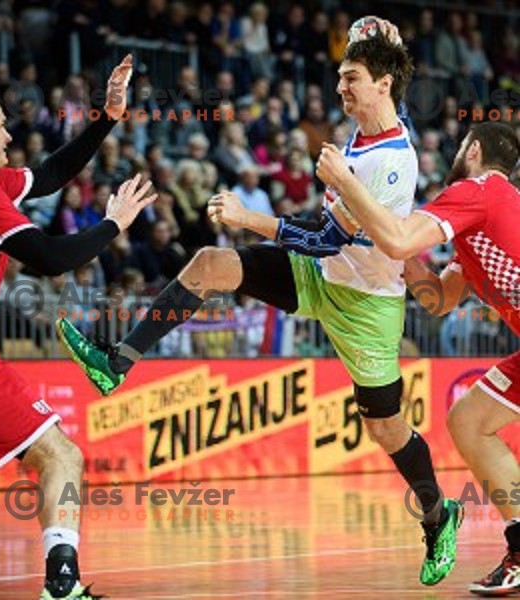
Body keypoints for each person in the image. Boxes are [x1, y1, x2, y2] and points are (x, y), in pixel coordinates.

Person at [58, 26, 463, 586]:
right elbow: (327, 241)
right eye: (341, 75)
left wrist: (254, 220)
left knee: (386, 429)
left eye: (352, 78)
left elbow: (326, 237)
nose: (340, 87)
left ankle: (439, 517)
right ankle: (116, 361)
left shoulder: (390, 163)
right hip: (319, 276)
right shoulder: (367, 131)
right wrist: (377, 36)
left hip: (367, 303)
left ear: (383, 85)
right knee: (208, 263)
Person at [0, 56, 157, 600]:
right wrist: (114, 224)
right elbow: (49, 257)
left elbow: (51, 174)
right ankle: (62, 584)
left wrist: (107, 118)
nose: (10, 135)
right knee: (63, 456)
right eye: (3, 126)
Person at [316, 121, 520, 597]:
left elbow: (402, 238)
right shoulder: (479, 226)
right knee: (469, 421)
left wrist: (347, 185)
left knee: (470, 422)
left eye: (461, 144)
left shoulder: (479, 190)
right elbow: (438, 299)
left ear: (474, 151)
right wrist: (392, 259)